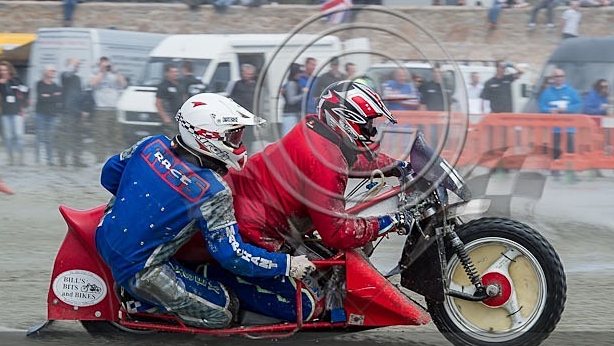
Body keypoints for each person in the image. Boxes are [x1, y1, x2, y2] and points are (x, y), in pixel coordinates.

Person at [95, 93, 318, 328]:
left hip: (104, 233)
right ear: (208, 137)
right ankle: (143, 304)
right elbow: (232, 255)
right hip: (144, 271)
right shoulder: (213, 190)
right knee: (224, 311)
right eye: (234, 136)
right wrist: (287, 264)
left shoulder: (151, 143)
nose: (239, 143)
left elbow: (109, 174)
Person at [228, 81, 411, 320]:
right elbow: (336, 233)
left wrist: (398, 167)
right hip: (254, 230)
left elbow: (355, 160)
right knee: (311, 305)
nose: (371, 131)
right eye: (367, 124)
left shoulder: (317, 128)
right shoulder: (326, 160)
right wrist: (388, 222)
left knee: (336, 263)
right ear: (345, 119)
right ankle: (228, 286)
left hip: (253, 207)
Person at [89, 56, 127, 160]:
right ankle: (100, 159)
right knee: (100, 136)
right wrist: (101, 72)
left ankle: (116, 159)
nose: (106, 66)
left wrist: (116, 72)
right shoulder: (95, 73)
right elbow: (92, 83)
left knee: (116, 136)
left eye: (107, 64)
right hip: (101, 110)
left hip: (113, 109)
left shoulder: (114, 75)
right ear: (99, 64)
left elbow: (123, 84)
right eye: (103, 64)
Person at [539, 68, 581, 159]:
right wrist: (550, 110)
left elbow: (578, 104)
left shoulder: (571, 91)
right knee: (555, 150)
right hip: (554, 128)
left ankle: (570, 169)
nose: (559, 78)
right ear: (553, 78)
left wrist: (567, 109)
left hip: (569, 127)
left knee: (570, 150)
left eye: (561, 76)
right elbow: (542, 107)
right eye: (557, 76)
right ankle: (555, 169)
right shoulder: (547, 93)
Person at [0, 61, 29, 166]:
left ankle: (21, 158)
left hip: (17, 111)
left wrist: (14, 83)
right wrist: (0, 83)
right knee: (8, 136)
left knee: (18, 135)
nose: (3, 72)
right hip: (5, 112)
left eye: (5, 69)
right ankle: (10, 158)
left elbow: (26, 90)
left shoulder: (16, 79)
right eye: (1, 70)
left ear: (9, 70)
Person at [57, 58, 87, 168]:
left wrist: (83, 110)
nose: (77, 67)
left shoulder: (78, 79)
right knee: (65, 137)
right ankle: (62, 161)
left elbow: (80, 95)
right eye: (75, 65)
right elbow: (68, 73)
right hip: (66, 112)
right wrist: (72, 64)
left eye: (77, 65)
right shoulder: (64, 76)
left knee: (77, 138)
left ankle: (77, 160)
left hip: (77, 112)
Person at [34, 65, 63, 166]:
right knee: (40, 136)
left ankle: (49, 160)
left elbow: (59, 99)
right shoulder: (39, 84)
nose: (53, 73)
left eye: (54, 71)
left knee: (50, 137)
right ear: (45, 72)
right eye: (51, 71)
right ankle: (37, 159)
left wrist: (48, 96)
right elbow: (41, 98)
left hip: (52, 114)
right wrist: (52, 96)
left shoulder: (56, 86)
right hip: (40, 113)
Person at [155, 63, 183, 137]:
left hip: (179, 116)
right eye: (173, 72)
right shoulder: (163, 86)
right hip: (169, 117)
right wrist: (165, 117)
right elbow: (158, 103)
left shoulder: (179, 84)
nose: (175, 74)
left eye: (176, 72)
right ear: (167, 73)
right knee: (172, 138)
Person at [281, 63, 304, 135]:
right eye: (299, 73)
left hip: (292, 114)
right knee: (289, 135)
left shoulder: (292, 83)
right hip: (290, 115)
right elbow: (291, 100)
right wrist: (303, 95)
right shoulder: (292, 84)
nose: (300, 75)